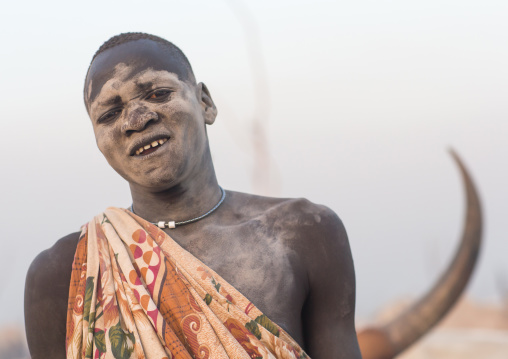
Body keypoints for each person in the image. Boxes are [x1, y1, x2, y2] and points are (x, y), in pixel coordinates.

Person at [24, 32, 361, 359]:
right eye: (109, 114)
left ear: (205, 104)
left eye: (157, 93)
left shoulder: (303, 234)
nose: (136, 120)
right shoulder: (64, 274)